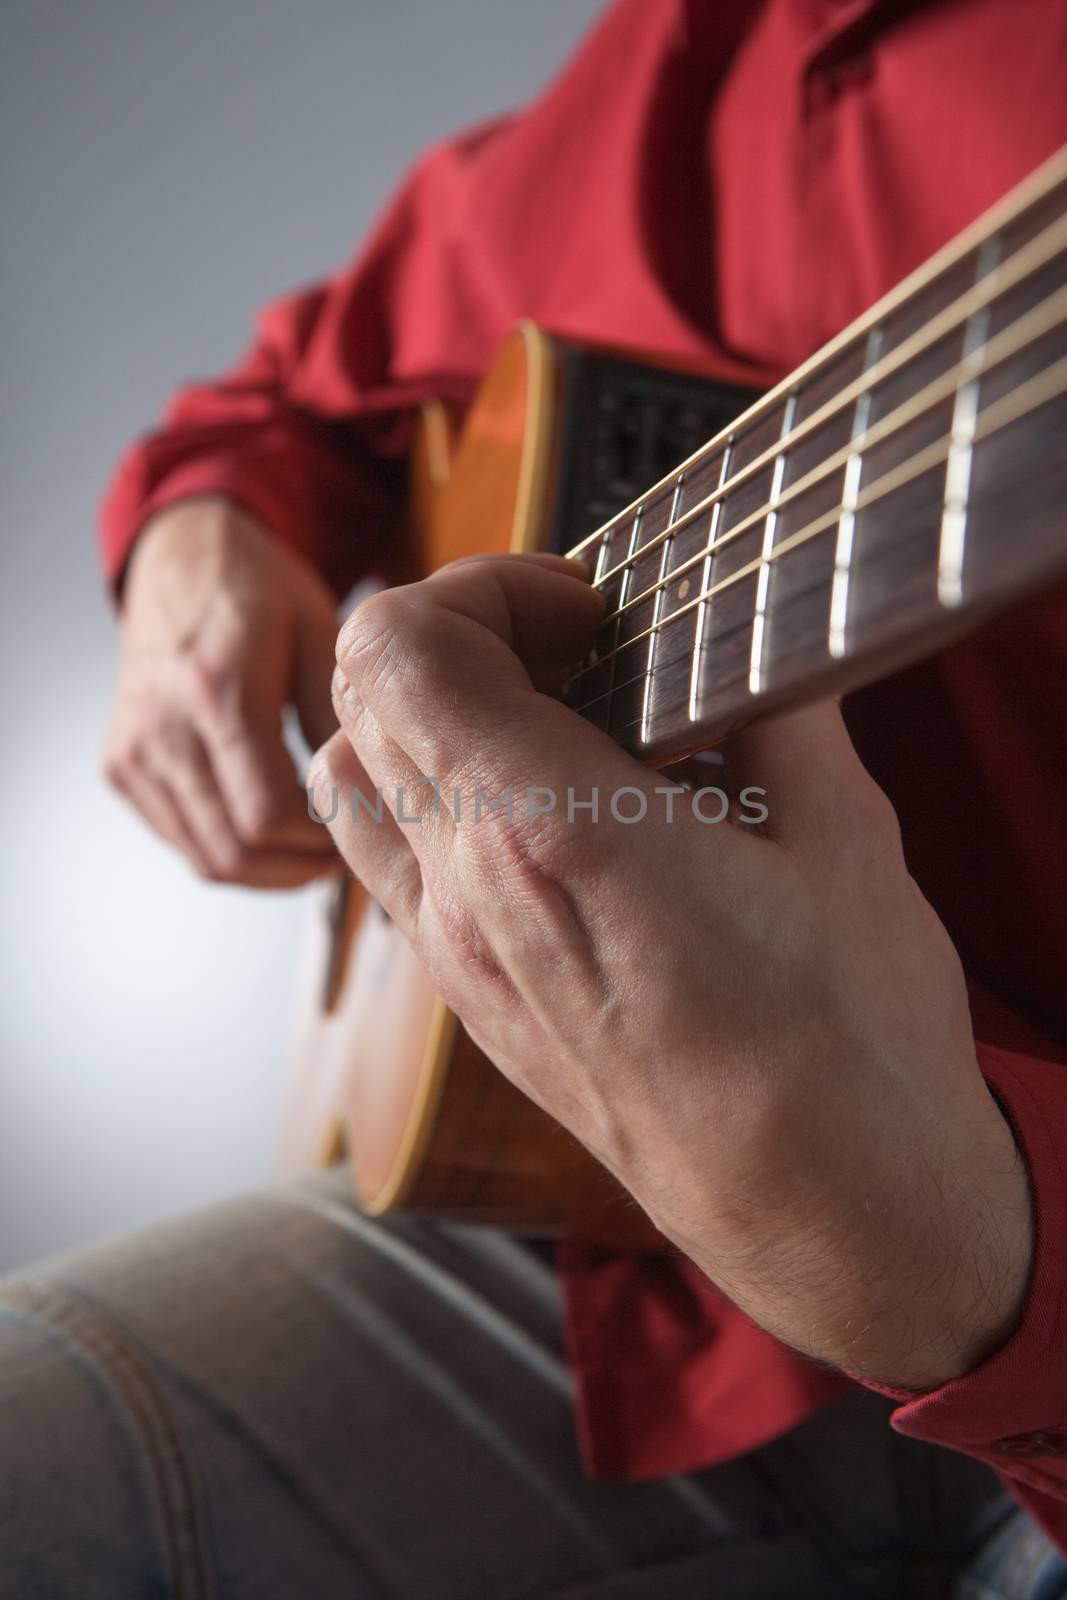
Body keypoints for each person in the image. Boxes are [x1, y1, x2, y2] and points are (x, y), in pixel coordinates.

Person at [3, 1, 1066, 1594]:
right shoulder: (691, 51)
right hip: (610, 1287)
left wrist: (950, 1271)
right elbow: (291, 396)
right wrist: (202, 537)